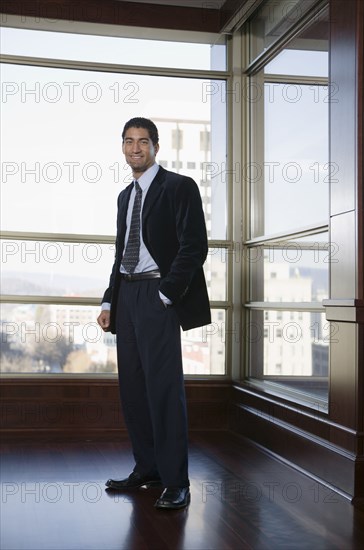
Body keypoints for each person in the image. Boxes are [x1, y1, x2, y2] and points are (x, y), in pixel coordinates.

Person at [97, 117, 211, 510]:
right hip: (127, 296)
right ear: (123, 147)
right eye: (128, 142)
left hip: (158, 294)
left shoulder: (179, 187)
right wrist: (109, 300)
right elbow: (119, 252)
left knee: (163, 390)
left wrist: (166, 292)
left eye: (142, 142)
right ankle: (147, 469)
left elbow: (194, 247)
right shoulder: (124, 196)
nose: (134, 149)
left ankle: (177, 481)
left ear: (156, 147)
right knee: (132, 389)